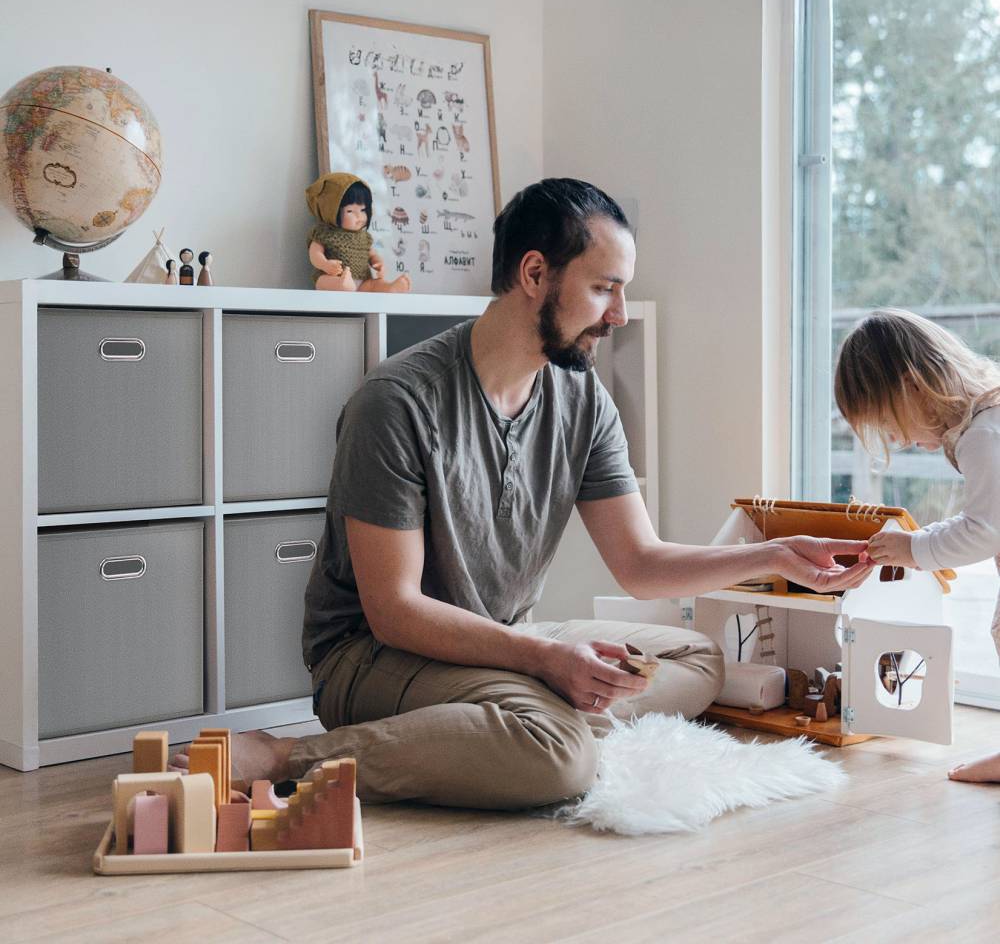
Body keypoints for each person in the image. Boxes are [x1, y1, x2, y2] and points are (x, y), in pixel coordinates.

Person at [174, 178, 871, 807]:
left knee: (697, 659)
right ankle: (290, 755)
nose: (620, 314)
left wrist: (775, 556)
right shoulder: (398, 402)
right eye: (604, 288)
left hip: (502, 643)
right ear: (535, 273)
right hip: (374, 658)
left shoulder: (584, 400)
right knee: (561, 760)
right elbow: (393, 612)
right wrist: (545, 661)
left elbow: (640, 564)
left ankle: (513, 716)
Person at [835, 307, 1000, 783]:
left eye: (890, 423)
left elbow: (984, 530)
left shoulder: (984, 434)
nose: (896, 439)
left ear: (913, 386)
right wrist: (919, 540)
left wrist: (914, 550)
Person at [305, 171, 411, 293]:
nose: (359, 216)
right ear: (330, 211)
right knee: (323, 281)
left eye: (363, 210)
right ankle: (342, 284)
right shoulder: (323, 233)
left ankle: (390, 288)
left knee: (375, 285)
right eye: (350, 211)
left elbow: (372, 254)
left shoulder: (364, 237)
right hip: (334, 277)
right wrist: (325, 265)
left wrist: (378, 263)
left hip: (363, 282)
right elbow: (315, 254)